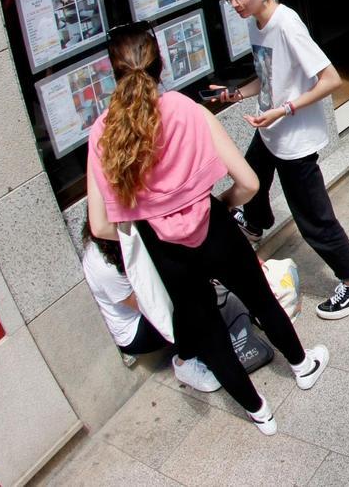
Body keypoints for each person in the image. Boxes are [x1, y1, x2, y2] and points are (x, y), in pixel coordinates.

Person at [87, 22, 328, 435]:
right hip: (212, 225)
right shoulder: (185, 108)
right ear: (160, 64)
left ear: (114, 73)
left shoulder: (102, 133)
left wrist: (150, 229)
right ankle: (303, 366)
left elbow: (100, 225)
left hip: (165, 251)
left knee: (207, 329)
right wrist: (222, 205)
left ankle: (260, 412)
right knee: (259, 297)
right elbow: (249, 183)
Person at [217, 0, 349, 319]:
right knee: (251, 178)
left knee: (313, 219)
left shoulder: (287, 25)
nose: (234, 3)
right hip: (271, 129)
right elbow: (268, 76)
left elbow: (330, 79)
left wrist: (284, 110)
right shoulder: (256, 22)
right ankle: (254, 223)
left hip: (294, 140)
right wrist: (238, 93)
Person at [81, 219, 172, 358]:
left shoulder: (112, 244)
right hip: (134, 331)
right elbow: (147, 306)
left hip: (145, 309)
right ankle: (184, 361)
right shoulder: (105, 267)